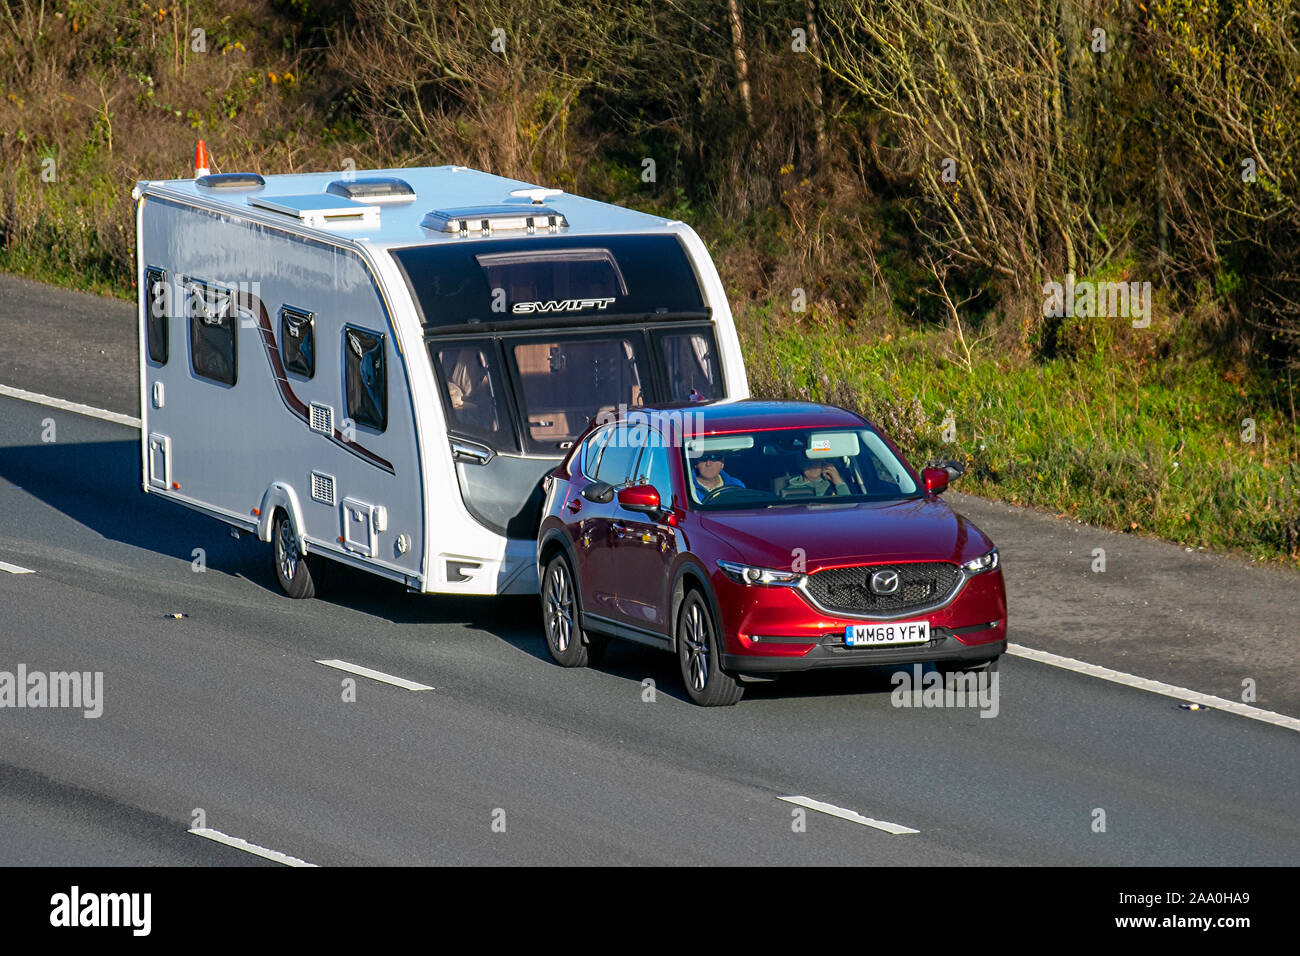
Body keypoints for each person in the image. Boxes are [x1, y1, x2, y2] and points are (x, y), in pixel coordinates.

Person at [781, 453, 851, 497]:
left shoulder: (834, 485)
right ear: (800, 465)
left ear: (824, 463)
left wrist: (838, 481)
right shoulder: (791, 490)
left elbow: (850, 506)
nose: (812, 464)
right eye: (807, 461)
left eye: (816, 460)